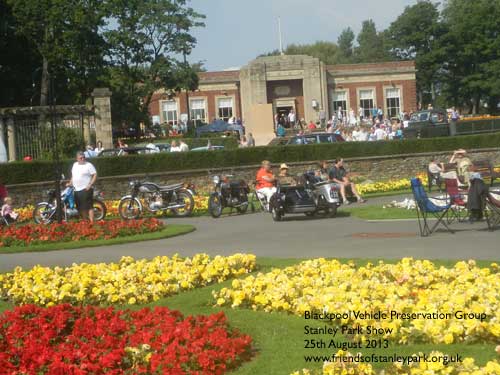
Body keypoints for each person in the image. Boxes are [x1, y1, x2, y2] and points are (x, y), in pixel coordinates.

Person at [70, 151, 97, 222]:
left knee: (88, 206)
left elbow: (94, 174)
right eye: (80, 158)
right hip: (76, 189)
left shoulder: (88, 165)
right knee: (80, 207)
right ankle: (85, 221)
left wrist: (90, 184)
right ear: (77, 159)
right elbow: (73, 176)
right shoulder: (75, 165)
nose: (82, 159)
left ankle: (91, 222)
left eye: (83, 157)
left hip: (86, 189)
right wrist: (70, 183)